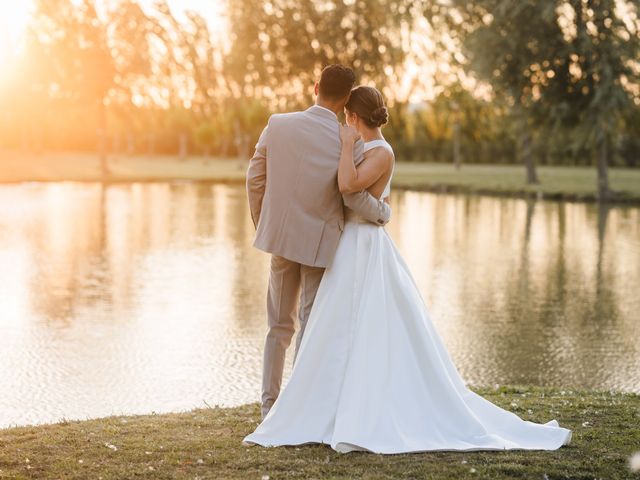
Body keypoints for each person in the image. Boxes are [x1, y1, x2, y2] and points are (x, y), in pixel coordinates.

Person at [243, 85, 572, 454]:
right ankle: (324, 404)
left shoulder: (381, 151)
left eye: (346, 116)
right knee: (330, 329)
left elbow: (348, 188)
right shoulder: (362, 147)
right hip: (346, 245)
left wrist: (362, 174)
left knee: (350, 325)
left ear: (352, 116)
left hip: (362, 245)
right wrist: (372, 195)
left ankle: (348, 408)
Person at [246, 65, 392, 420]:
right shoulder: (349, 141)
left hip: (281, 240)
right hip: (319, 246)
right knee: (310, 327)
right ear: (346, 100)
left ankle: (269, 407)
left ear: (315, 87)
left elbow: (254, 179)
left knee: (278, 327)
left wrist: (267, 225)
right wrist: (383, 214)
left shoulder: (277, 124)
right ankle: (302, 407)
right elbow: (351, 197)